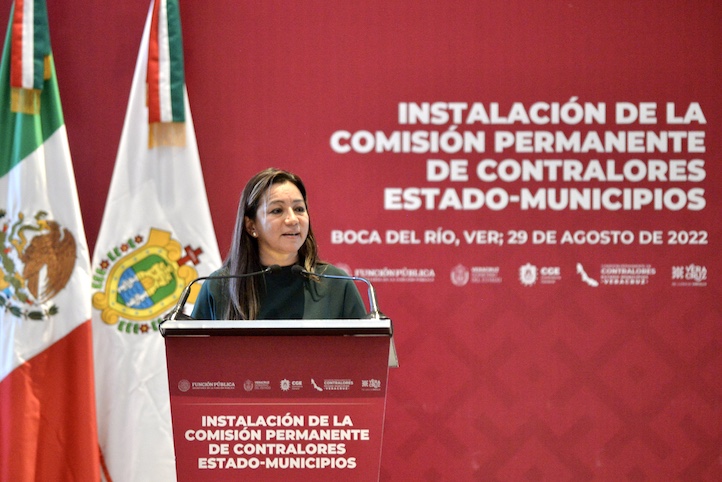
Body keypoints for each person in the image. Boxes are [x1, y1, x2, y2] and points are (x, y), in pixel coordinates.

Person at [191, 167, 368, 320]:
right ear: (251, 226)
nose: (293, 219)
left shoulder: (336, 284)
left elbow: (363, 348)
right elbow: (195, 349)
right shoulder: (219, 287)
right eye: (277, 210)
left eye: (299, 209)